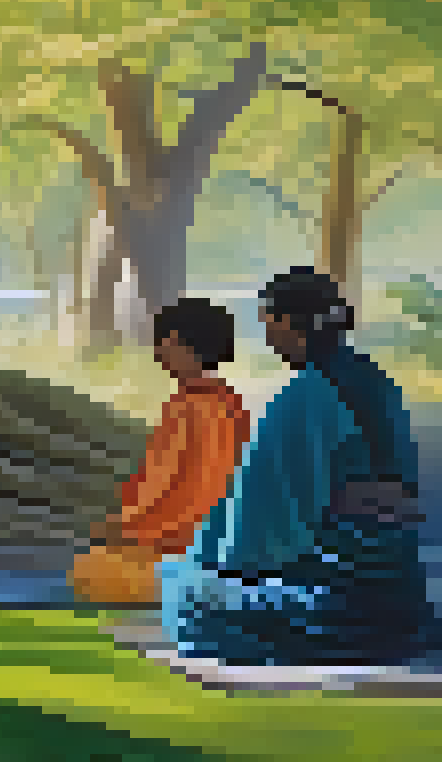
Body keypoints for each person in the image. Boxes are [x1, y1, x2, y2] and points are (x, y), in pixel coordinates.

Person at [163, 267, 435, 665]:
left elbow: (257, 535)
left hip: (335, 605)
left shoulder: (303, 397)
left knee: (183, 593)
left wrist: (210, 567)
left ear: (289, 324)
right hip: (402, 598)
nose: (267, 337)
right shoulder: (378, 382)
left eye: (269, 324)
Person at [67, 298, 250, 605]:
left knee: (91, 569)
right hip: (223, 537)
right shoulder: (231, 403)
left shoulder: (186, 407)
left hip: (178, 538)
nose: (158, 352)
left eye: (163, 342)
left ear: (181, 344)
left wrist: (123, 526)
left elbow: (163, 485)